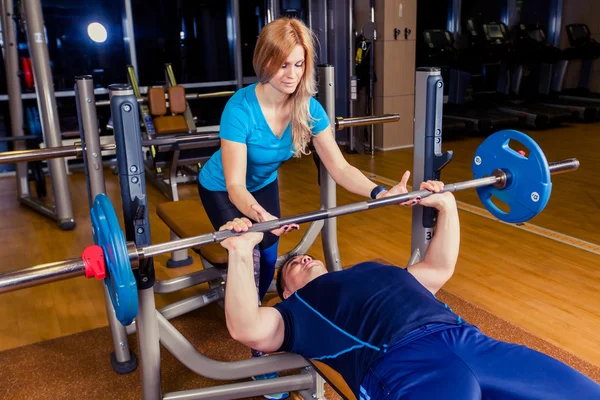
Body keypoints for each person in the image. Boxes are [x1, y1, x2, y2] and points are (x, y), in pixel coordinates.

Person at [219, 177, 600, 400]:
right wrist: (240, 251)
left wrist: (447, 206)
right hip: (402, 365)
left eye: (304, 257)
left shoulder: (378, 272)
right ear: (287, 292)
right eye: (292, 269)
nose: (301, 259)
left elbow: (439, 266)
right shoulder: (297, 311)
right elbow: (246, 327)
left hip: (468, 340)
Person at [197, 17, 405, 396]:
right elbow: (235, 185)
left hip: (264, 186)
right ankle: (259, 349)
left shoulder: (308, 108)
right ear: (264, 62)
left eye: (298, 64)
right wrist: (262, 218)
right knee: (253, 256)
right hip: (222, 190)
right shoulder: (240, 108)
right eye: (282, 65)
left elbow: (340, 167)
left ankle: (263, 318)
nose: (291, 74)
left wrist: (378, 192)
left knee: (269, 258)